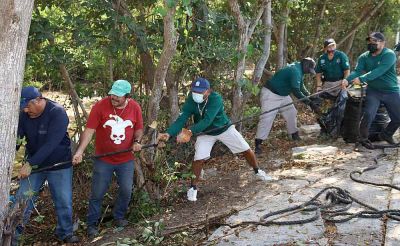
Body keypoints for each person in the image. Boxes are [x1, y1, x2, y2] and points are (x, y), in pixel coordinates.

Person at [157, 78, 274, 202]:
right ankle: (193, 187)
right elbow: (181, 119)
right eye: (194, 91)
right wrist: (168, 133)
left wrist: (189, 131)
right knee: (199, 158)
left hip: (223, 128)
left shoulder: (216, 99)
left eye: (200, 92)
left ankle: (258, 171)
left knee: (245, 148)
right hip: (204, 133)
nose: (196, 94)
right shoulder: (191, 100)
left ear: (208, 91)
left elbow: (208, 120)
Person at [72, 80, 143, 238]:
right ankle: (92, 224)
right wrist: (80, 151)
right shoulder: (100, 106)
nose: (114, 97)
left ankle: (119, 217)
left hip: (126, 159)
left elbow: (138, 129)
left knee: (126, 190)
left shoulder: (135, 107)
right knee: (97, 192)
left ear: (127, 96)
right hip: (103, 159)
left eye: (118, 96)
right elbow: (89, 131)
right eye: (112, 94)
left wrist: (137, 142)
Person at [13, 86, 79, 243]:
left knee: (63, 200)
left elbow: (51, 144)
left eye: (28, 106)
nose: (26, 111)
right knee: (22, 200)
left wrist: (30, 163)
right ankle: (13, 236)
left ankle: (65, 233)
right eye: (24, 108)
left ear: (38, 100)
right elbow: (18, 138)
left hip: (58, 164)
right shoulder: (25, 115)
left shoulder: (57, 112)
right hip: (34, 165)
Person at [343, 32, 400, 147]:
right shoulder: (364, 56)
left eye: (374, 42)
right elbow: (357, 71)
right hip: (374, 91)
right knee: (368, 114)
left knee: (398, 117)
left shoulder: (389, 55)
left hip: (391, 91)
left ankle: (386, 134)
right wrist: (347, 79)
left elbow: (379, 71)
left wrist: (362, 79)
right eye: (369, 41)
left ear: (383, 43)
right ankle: (363, 139)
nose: (371, 44)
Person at [254, 58, 321, 154]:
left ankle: (294, 134)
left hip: (283, 95)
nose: (308, 72)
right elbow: (296, 91)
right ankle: (258, 143)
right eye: (309, 70)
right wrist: (309, 103)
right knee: (267, 118)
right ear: (305, 66)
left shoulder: (299, 69)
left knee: (291, 112)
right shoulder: (295, 71)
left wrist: (311, 97)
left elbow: (301, 87)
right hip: (271, 94)